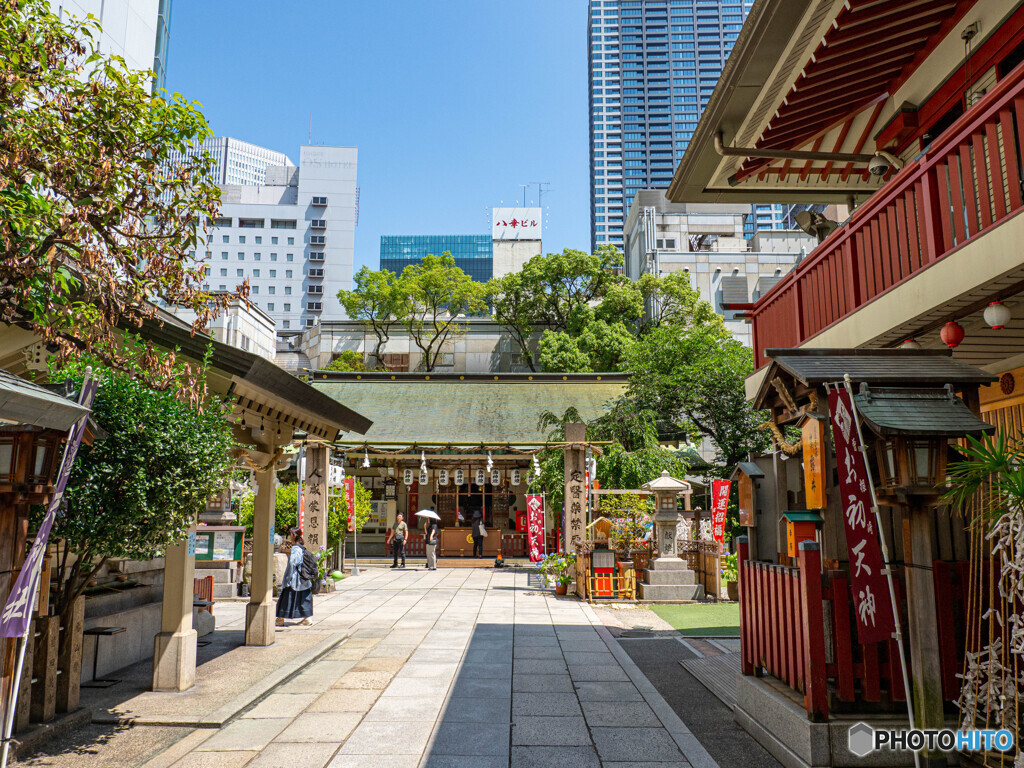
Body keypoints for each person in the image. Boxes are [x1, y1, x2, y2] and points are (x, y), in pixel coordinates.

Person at [276, 527, 313, 627]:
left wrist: (288, 579)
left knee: (286, 598)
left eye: (290, 534)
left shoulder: (296, 548)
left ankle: (280, 619)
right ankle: (307, 618)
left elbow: (293, 562)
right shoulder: (301, 547)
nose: (289, 536)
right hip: (302, 579)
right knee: (303, 598)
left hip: (295, 579)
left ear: (294, 535)